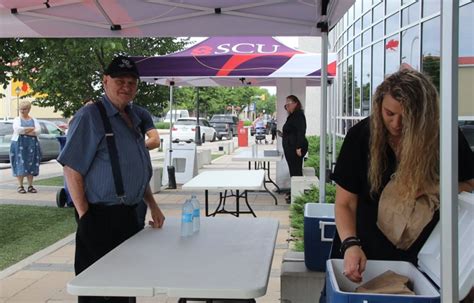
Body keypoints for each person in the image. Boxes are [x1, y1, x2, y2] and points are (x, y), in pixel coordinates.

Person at [331, 69, 474, 284]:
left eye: (407, 117)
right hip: (362, 252)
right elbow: (345, 203)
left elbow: (469, 185)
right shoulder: (361, 136)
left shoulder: (445, 136)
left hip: (421, 260)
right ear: (379, 104)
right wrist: (350, 245)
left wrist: (433, 187)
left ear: (424, 116)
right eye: (389, 113)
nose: (396, 124)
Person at [58, 55, 165, 303]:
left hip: (130, 214)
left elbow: (136, 169)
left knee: (126, 285)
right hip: (100, 216)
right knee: (96, 288)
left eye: (132, 82)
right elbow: (72, 169)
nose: (126, 86)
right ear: (105, 81)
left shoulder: (135, 116)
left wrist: (152, 204)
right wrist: (86, 216)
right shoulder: (90, 117)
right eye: (120, 80)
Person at [280, 95, 308, 202]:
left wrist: (298, 147)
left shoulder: (298, 115)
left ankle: (297, 196)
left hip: (295, 148)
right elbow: (292, 131)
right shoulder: (293, 115)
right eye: (285, 105)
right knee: (293, 171)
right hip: (291, 147)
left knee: (296, 171)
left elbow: (301, 131)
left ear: (295, 103)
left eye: (288, 104)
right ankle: (295, 193)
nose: (287, 106)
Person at [10, 100, 42, 194]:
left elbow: (38, 131)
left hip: (32, 145)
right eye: (21, 109)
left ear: (29, 109)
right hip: (19, 144)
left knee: (31, 163)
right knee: (20, 163)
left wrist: (26, 131)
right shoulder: (17, 120)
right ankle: (20, 186)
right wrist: (31, 129)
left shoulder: (34, 120)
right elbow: (18, 130)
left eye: (24, 109)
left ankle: (30, 186)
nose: (22, 111)